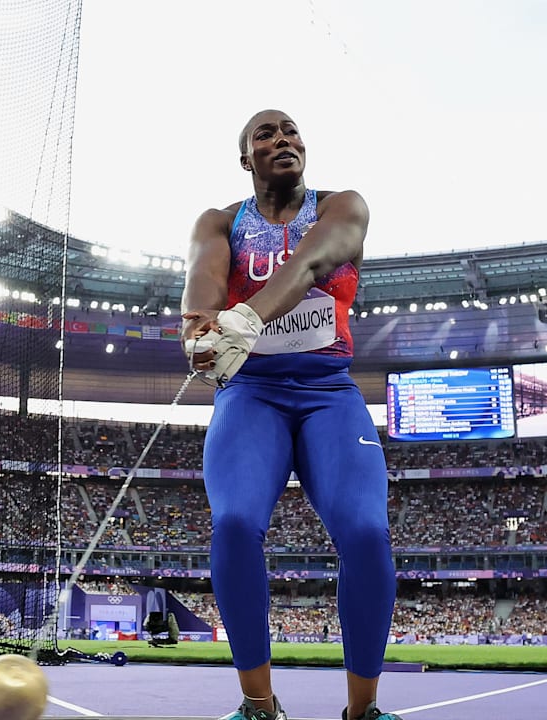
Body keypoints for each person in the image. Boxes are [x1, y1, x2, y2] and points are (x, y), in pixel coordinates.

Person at [182, 109, 399, 720]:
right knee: (233, 525)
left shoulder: (342, 206)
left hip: (328, 391)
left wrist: (247, 318)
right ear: (245, 159)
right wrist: (198, 331)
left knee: (365, 532)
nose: (283, 140)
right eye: (265, 134)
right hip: (251, 395)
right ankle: (258, 706)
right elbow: (202, 282)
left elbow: (309, 266)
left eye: (291, 131)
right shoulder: (220, 222)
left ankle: (362, 712)